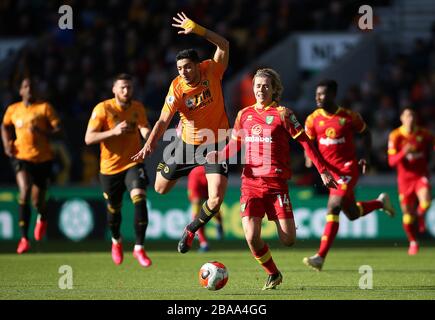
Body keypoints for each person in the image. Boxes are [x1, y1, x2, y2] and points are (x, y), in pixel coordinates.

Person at [206, 68, 337, 290]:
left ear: (274, 89)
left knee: (288, 240)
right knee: (251, 236)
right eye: (257, 85)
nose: (260, 89)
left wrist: (322, 170)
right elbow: (236, 144)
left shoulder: (284, 114)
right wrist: (219, 154)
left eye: (265, 86)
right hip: (251, 183)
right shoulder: (243, 115)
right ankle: (273, 273)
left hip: (276, 185)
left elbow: (306, 142)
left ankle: (285, 228)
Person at [132, 12, 230, 254]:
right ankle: (177, 162)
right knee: (160, 189)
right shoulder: (176, 87)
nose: (183, 72)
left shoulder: (212, 70)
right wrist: (150, 144)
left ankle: (190, 230)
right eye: (179, 68)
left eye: (187, 67)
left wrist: (198, 29)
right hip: (186, 144)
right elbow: (164, 119)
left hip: (215, 144)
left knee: (215, 200)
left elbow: (224, 44)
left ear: (197, 65)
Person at [302, 79, 396, 271]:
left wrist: (366, 157)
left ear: (333, 95)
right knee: (352, 213)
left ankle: (320, 256)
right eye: (316, 94)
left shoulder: (348, 117)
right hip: (330, 173)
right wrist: (308, 158)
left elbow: (366, 133)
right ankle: (380, 203)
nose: (318, 97)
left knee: (334, 207)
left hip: (347, 169)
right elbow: (308, 143)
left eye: (322, 94)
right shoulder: (313, 119)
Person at [85, 73, 152, 267]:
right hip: (109, 168)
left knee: (140, 199)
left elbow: (144, 128)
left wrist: (149, 137)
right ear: (114, 89)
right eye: (122, 87)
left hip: (132, 163)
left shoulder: (138, 108)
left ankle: (139, 248)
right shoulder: (103, 109)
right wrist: (113, 132)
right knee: (114, 211)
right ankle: (116, 241)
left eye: (129, 87)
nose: (126, 91)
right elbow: (88, 138)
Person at [1, 77, 61, 254]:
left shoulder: (45, 108)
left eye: (32, 86)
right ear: (20, 91)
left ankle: (42, 216)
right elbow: (4, 126)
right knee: (25, 189)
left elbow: (59, 131)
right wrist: (6, 144)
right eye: (26, 86)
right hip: (21, 157)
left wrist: (42, 131)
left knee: (37, 201)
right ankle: (24, 238)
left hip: (43, 159)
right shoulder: (13, 109)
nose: (29, 89)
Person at [388, 107, 434, 255]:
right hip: (404, 180)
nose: (410, 119)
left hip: (420, 175)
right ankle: (413, 241)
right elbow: (392, 161)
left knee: (425, 201)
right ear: (402, 118)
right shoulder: (395, 136)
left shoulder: (424, 134)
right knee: (407, 214)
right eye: (407, 116)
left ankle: (420, 217)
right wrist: (404, 152)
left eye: (413, 115)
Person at [187, 165, 224, 252]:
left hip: (211, 170)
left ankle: (218, 221)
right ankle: (204, 243)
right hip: (195, 174)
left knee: (213, 202)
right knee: (196, 205)